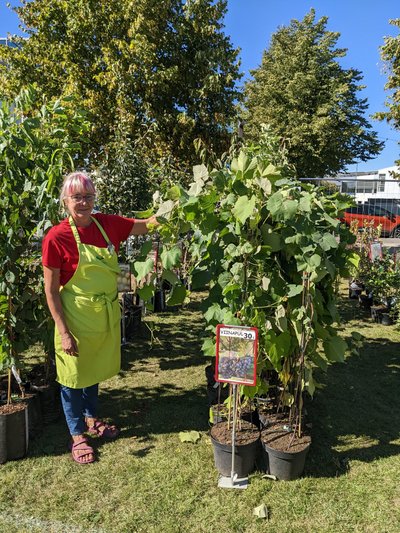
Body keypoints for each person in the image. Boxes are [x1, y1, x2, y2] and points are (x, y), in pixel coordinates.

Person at [42, 171, 157, 464]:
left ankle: (92, 418)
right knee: (72, 377)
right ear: (65, 201)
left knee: (91, 371)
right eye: (77, 197)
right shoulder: (57, 237)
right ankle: (77, 434)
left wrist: (175, 209)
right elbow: (52, 291)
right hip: (74, 317)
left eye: (88, 196)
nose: (83, 203)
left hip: (103, 315)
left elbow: (144, 227)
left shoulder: (108, 224)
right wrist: (63, 331)